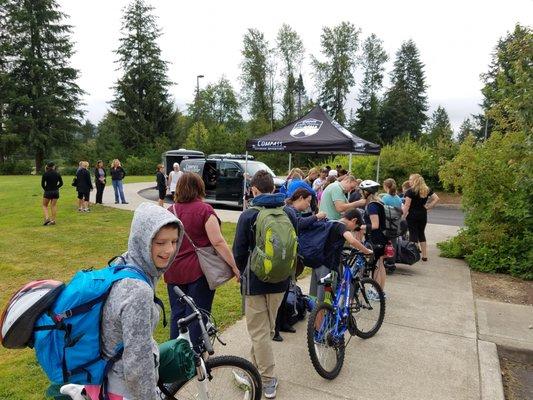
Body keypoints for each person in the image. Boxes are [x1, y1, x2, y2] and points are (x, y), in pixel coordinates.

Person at [82, 202, 184, 400]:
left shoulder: (126, 262)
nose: (170, 249)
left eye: (174, 241)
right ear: (142, 241)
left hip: (105, 376)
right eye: (160, 242)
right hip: (123, 389)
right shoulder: (138, 292)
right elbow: (137, 362)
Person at [233, 170, 298, 399]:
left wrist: (242, 273)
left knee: (260, 333)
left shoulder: (248, 215)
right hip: (281, 281)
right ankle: (253, 370)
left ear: (254, 189)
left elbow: (239, 252)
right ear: (273, 188)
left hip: (255, 281)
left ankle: (267, 380)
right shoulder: (288, 212)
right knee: (266, 330)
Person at [165, 172, 240, 348]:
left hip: (173, 269)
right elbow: (218, 242)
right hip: (198, 271)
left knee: (178, 315)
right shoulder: (205, 210)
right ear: (200, 187)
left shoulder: (169, 211)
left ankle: (176, 355)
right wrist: (234, 266)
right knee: (198, 313)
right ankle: (195, 355)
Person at [272, 189, 326, 342]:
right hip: (284, 257)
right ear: (300, 198)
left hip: (289, 256)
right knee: (281, 293)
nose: (308, 205)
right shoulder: (288, 210)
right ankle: (276, 327)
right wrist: (316, 217)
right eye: (307, 201)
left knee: (286, 289)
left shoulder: (289, 209)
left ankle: (283, 323)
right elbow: (299, 224)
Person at [307, 208, 373, 304]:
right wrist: (366, 251)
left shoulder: (331, 222)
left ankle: (315, 317)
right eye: (355, 227)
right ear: (354, 220)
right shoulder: (341, 226)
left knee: (315, 297)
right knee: (324, 301)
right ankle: (320, 318)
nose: (353, 230)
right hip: (327, 268)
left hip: (317, 263)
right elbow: (352, 241)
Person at [359, 180, 389, 299]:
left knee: (376, 265)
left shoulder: (372, 206)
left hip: (376, 239)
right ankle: (380, 291)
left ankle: (376, 292)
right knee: (380, 264)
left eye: (363, 191)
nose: (361, 193)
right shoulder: (378, 203)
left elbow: (375, 225)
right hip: (381, 238)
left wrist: (361, 227)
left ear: (367, 192)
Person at [402, 174, 440, 261]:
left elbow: (407, 205)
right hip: (423, 214)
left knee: (413, 234)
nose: (409, 181)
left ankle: (413, 254)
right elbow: (436, 198)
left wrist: (403, 216)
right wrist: (428, 206)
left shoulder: (410, 192)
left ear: (415, 181)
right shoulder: (426, 190)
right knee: (421, 234)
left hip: (412, 215)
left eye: (410, 180)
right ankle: (424, 255)